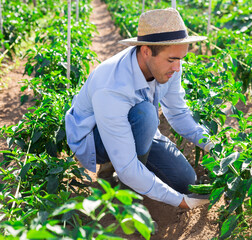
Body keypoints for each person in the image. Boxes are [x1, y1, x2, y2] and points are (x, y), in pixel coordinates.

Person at [65, 8, 214, 209]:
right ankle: (124, 193)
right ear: (146, 51)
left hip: (141, 129)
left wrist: (211, 144)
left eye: (181, 59)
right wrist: (180, 202)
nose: (178, 67)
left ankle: (134, 166)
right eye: (172, 60)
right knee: (145, 114)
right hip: (96, 140)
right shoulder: (111, 85)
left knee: (186, 180)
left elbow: (178, 113)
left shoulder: (171, 66)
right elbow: (127, 168)